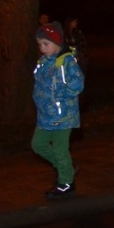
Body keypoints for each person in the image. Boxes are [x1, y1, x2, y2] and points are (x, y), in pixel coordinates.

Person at [32, 22, 85, 200]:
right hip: (45, 116)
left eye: (46, 44)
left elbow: (78, 83)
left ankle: (66, 184)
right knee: (38, 144)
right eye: (39, 44)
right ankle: (67, 168)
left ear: (57, 43)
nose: (42, 48)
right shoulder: (43, 62)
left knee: (60, 150)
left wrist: (60, 95)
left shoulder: (67, 61)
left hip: (64, 116)